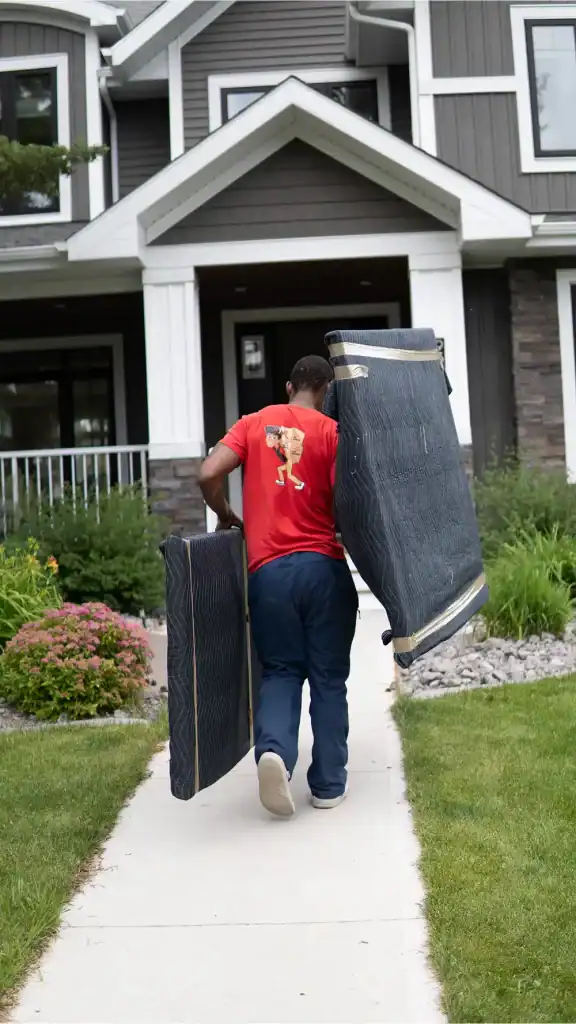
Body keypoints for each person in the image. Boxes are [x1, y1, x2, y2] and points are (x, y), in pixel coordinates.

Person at [198, 354, 358, 818]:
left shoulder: (253, 423)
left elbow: (209, 473)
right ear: (326, 391)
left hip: (268, 574)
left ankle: (274, 753)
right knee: (328, 679)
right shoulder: (332, 434)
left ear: (290, 386)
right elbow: (349, 504)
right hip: (323, 569)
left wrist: (226, 513)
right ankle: (328, 786)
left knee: (282, 672)